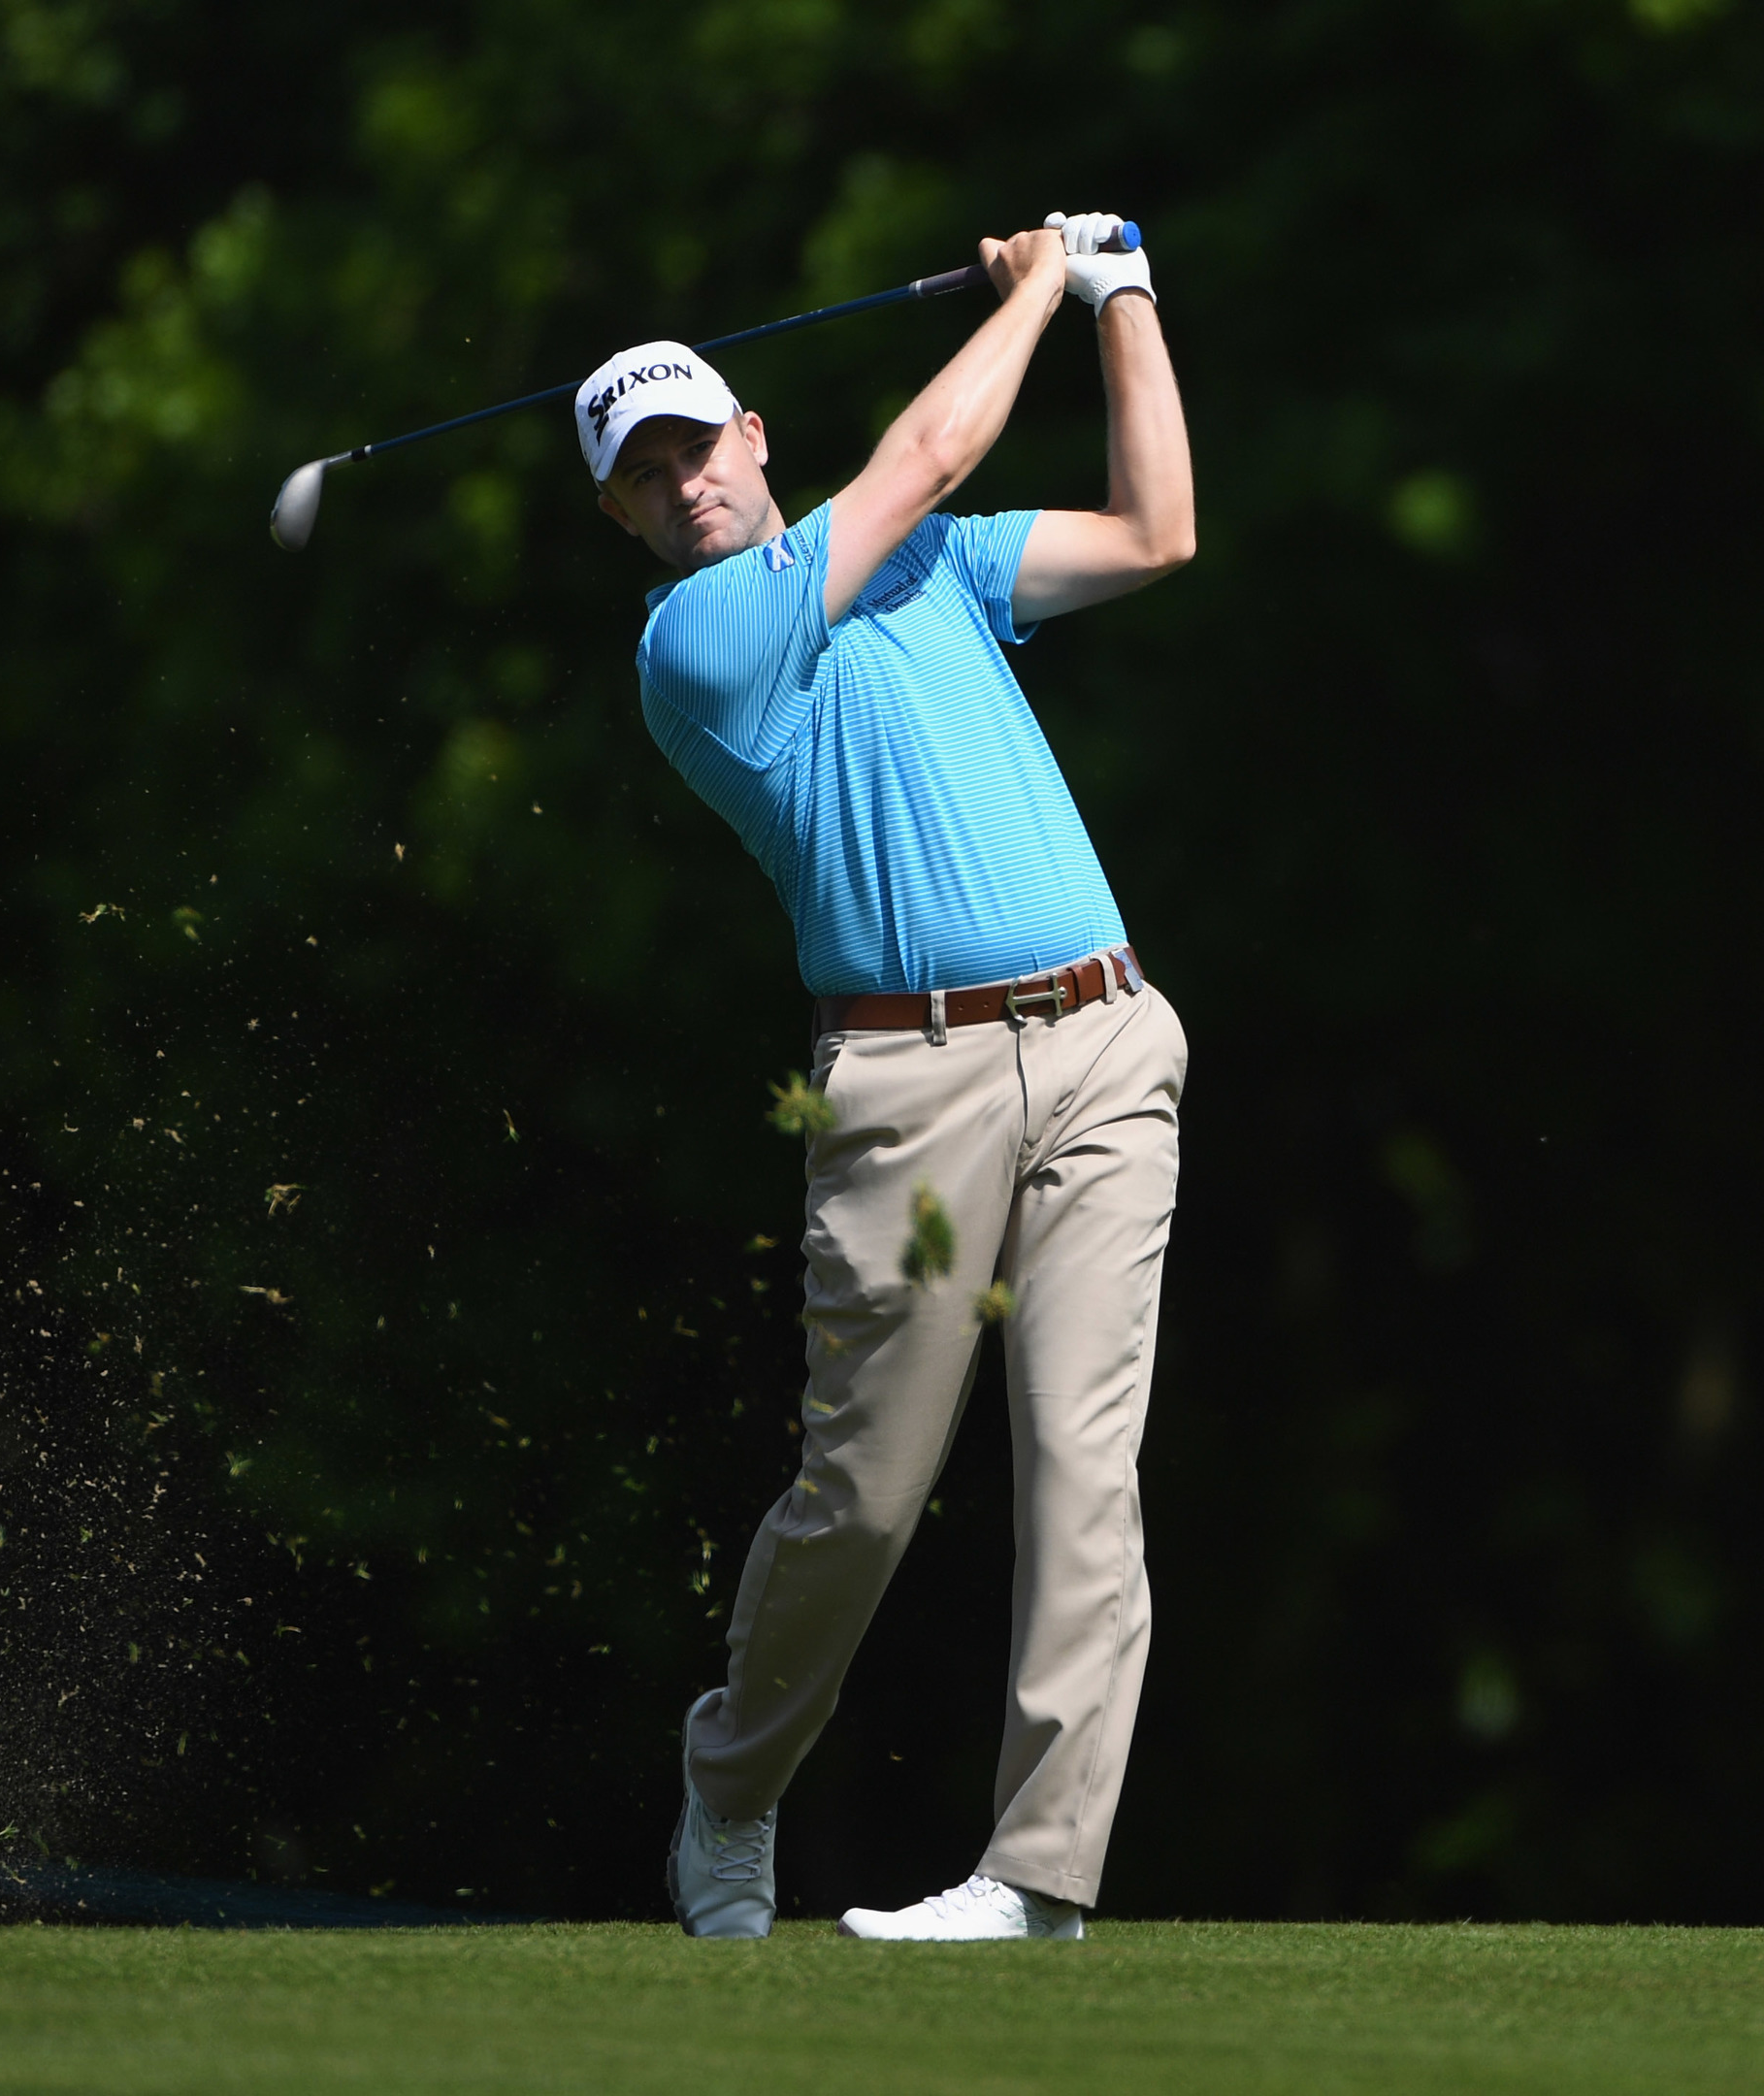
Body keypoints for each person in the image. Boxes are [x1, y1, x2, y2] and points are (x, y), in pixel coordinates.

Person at [578, 212, 1193, 1941]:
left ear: (753, 438)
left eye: (699, 443)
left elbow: (1161, 530)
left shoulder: (937, 570)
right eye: (646, 472)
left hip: (1103, 1046)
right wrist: (1037, 296)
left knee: (1086, 1465)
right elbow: (926, 448)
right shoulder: (696, 652)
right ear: (619, 515)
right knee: (869, 1492)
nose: (685, 482)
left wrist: (1125, 293)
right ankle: (731, 1791)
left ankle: (1042, 1880)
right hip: (906, 1095)